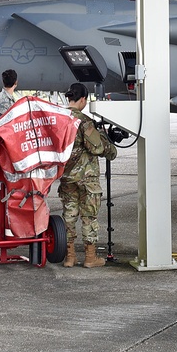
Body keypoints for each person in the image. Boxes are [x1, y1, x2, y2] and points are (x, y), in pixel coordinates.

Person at [59, 83, 118, 268]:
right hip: (86, 178)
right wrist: (110, 146)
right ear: (83, 99)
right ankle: (90, 258)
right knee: (88, 217)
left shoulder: (59, 119)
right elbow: (97, 147)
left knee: (69, 215)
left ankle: (69, 257)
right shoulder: (83, 121)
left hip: (67, 177)